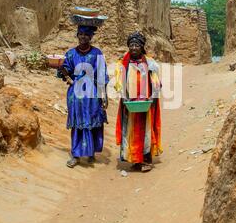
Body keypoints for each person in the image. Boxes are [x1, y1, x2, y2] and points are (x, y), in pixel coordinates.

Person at [58, 25, 109, 168]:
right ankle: (76, 155)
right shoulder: (70, 54)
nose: (83, 37)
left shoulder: (97, 53)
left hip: (92, 94)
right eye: (80, 34)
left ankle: (90, 152)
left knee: (92, 121)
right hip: (76, 94)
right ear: (77, 35)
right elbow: (65, 71)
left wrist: (104, 96)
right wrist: (61, 69)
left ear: (91, 37)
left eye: (86, 34)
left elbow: (101, 75)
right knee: (77, 123)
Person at [114, 31, 162, 172]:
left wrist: (151, 98)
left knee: (146, 130)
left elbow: (156, 82)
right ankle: (135, 159)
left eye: (137, 45)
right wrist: (125, 97)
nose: (134, 48)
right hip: (130, 103)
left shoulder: (151, 63)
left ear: (142, 47)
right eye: (131, 45)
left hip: (146, 102)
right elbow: (119, 83)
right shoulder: (123, 63)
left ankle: (146, 160)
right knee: (131, 130)